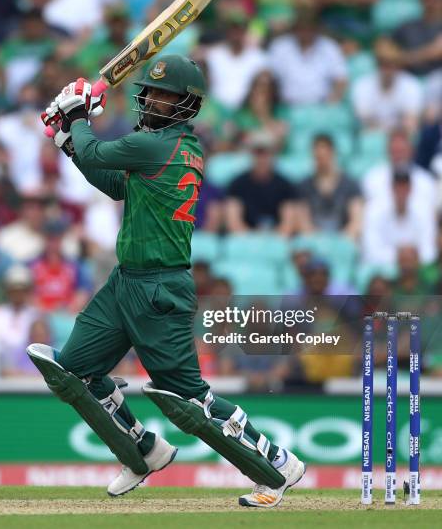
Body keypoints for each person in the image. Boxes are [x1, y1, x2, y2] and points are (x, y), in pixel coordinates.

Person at [28, 54, 305, 507]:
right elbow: (115, 184)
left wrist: (76, 115)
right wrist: (67, 137)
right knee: (73, 371)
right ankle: (142, 452)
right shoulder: (169, 146)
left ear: (185, 104)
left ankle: (276, 466)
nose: (151, 99)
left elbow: (98, 153)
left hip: (159, 289)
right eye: (150, 92)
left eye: (162, 94)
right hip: (127, 281)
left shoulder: (157, 145)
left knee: (189, 402)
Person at [268, 8, 348, 105]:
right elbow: (270, 80)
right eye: (302, 28)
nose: (305, 32)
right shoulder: (279, 47)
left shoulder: (329, 47)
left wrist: (331, 102)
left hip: (322, 107)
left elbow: (341, 80)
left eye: (310, 28)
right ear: (294, 29)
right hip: (287, 107)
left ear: (317, 29)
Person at [225, 131, 298, 235]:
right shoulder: (237, 184)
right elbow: (234, 222)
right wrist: (254, 241)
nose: (262, 158)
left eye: (266, 153)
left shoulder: (285, 185)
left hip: (277, 240)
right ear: (251, 154)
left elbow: (288, 224)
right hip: (246, 241)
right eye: (258, 153)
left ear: (273, 155)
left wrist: (271, 241)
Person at [352, 38, 424, 135]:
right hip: (374, 135)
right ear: (377, 64)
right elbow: (365, 120)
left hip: (400, 136)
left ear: (398, 65)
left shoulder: (411, 85)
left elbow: (411, 122)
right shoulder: (362, 85)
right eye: (383, 64)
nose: (387, 70)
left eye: (391, 64)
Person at [298, 134, 363, 237]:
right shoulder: (304, 186)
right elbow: (303, 222)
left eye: (324, 156)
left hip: (343, 241)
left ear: (333, 153)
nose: (321, 161)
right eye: (317, 157)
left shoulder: (350, 185)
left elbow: (357, 220)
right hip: (314, 243)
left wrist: (340, 242)